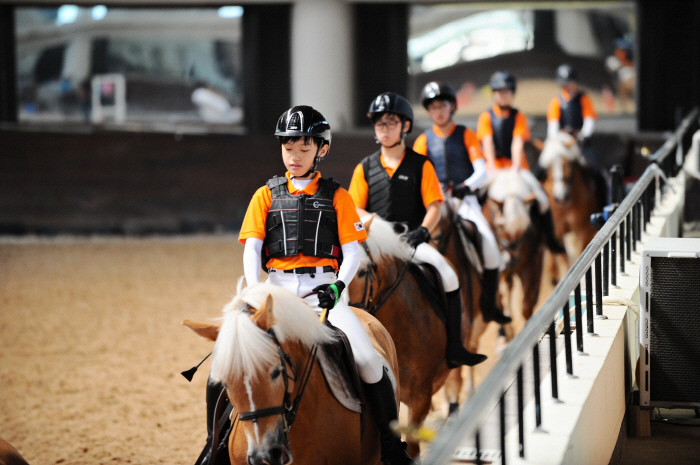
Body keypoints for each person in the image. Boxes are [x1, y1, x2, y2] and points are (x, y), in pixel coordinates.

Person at [198, 105, 414, 465]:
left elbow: (353, 255)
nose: (295, 156)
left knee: (368, 360)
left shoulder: (338, 196)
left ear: (321, 150)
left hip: (323, 295)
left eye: (303, 148)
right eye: (288, 148)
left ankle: (392, 449)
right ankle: (214, 447)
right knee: (222, 367)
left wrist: (339, 287)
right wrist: (256, 293)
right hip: (276, 295)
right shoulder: (264, 195)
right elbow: (252, 249)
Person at [348, 92, 489, 367]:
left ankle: (454, 346)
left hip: (411, 240)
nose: (384, 129)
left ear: (405, 126)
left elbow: (435, 205)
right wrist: (378, 227)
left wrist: (424, 231)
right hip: (376, 243)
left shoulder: (421, 165)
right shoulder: (364, 168)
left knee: (448, 273)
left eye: (391, 122)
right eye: (379, 124)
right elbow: (355, 207)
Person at [413, 82, 511, 325]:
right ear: (429, 111)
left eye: (443, 105)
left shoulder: (466, 135)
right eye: (433, 107)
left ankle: (489, 305)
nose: (439, 111)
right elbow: (418, 176)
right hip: (434, 202)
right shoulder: (423, 141)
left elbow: (482, 170)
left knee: (490, 246)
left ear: (452, 106)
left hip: (464, 201)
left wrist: (465, 186)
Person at [477, 72, 567, 255]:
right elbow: (487, 142)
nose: (503, 95)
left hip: (515, 168)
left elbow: (517, 143)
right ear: (494, 93)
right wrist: (492, 166)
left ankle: (549, 240)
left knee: (542, 199)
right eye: (499, 91)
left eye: (507, 91)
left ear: (512, 93)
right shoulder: (485, 116)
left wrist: (516, 166)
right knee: (474, 200)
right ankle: (476, 244)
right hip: (493, 168)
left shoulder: (519, 117)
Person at [547, 64, 600, 170]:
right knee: (543, 165)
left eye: (568, 83)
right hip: (562, 141)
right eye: (563, 84)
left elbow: (589, 120)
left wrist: (583, 136)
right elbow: (553, 124)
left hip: (580, 142)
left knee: (596, 169)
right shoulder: (556, 101)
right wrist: (555, 139)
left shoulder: (584, 99)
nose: (566, 86)